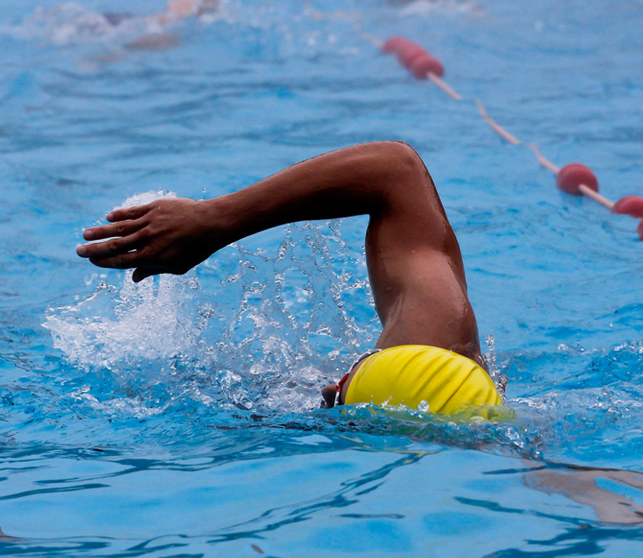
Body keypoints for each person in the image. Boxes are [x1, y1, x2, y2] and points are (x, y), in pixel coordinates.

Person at [76, 141, 508, 417]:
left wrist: (215, 220)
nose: (331, 384)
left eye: (346, 384)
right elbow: (395, 173)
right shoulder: (455, 365)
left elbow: (396, 168)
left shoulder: (447, 347)